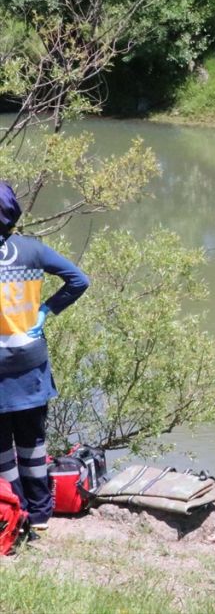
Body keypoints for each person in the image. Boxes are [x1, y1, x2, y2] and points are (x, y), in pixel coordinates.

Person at [0, 181, 89, 531]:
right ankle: (40, 514)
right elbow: (78, 280)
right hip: (31, 364)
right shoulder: (33, 250)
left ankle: (13, 511)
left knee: (1, 447)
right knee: (32, 441)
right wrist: (46, 310)